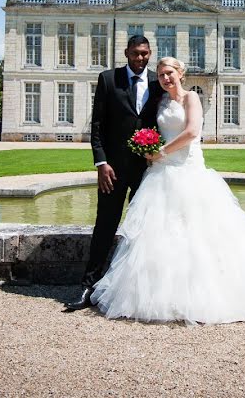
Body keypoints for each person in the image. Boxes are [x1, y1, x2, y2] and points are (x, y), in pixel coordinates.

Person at [90, 57, 245, 324]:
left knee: (199, 236)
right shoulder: (161, 101)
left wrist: (160, 151)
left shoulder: (192, 98)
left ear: (181, 73)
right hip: (160, 174)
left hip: (187, 171)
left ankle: (206, 297)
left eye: (169, 73)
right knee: (160, 236)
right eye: (161, 74)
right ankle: (164, 297)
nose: (165, 78)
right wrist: (147, 147)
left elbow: (191, 132)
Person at [65, 35, 165, 311]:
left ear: (150, 53)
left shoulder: (159, 84)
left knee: (144, 230)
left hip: (147, 169)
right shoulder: (109, 79)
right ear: (126, 53)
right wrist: (101, 163)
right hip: (113, 169)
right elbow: (97, 125)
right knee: (105, 225)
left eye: (145, 53)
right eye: (136, 53)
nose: (141, 58)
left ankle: (136, 289)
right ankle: (89, 285)